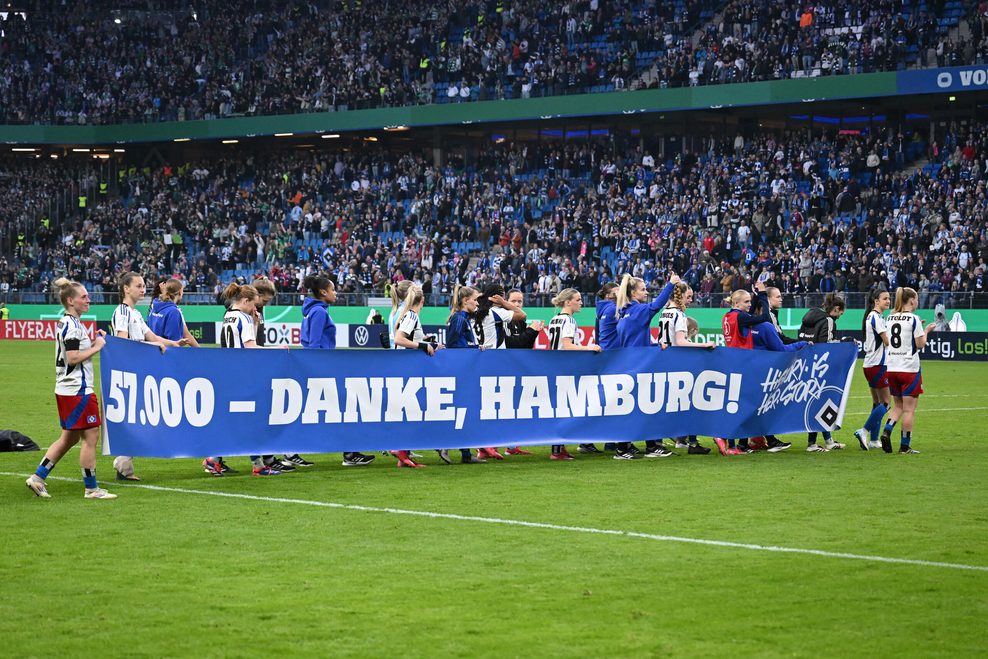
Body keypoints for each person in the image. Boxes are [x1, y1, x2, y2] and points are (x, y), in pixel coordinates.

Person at [25, 277, 116, 499]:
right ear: (70, 300)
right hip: (78, 391)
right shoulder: (72, 326)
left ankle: (38, 478)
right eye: (83, 297)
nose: (88, 300)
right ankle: (92, 489)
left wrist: (95, 341)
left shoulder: (69, 323)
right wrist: (98, 347)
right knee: (90, 437)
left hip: (67, 390)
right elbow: (74, 357)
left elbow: (75, 353)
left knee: (69, 438)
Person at [111, 271, 186, 480]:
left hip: (139, 371)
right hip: (128, 372)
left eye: (143, 286)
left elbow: (151, 336)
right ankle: (121, 463)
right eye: (138, 286)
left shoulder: (135, 313)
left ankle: (124, 466)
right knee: (136, 420)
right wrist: (154, 344)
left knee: (140, 420)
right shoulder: (123, 312)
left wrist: (172, 343)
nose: (143, 289)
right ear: (126, 289)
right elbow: (123, 343)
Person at [204, 282, 284, 476]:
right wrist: (276, 350)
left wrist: (255, 323)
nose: (255, 309)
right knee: (252, 420)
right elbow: (251, 348)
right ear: (245, 300)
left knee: (238, 419)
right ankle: (256, 465)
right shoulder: (244, 318)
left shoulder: (229, 315)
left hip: (229, 372)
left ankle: (216, 459)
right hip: (243, 374)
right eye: (253, 305)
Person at [300, 273, 374, 467]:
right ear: (323, 292)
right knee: (341, 409)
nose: (336, 293)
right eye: (333, 289)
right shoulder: (319, 313)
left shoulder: (313, 311)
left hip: (320, 368)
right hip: (322, 369)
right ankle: (349, 453)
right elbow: (315, 345)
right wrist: (319, 369)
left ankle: (348, 452)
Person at [717, 281, 792, 455]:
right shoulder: (741, 317)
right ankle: (725, 437)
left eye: (750, 302)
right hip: (743, 364)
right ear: (736, 303)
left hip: (733, 362)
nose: (749, 305)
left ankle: (741, 443)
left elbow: (748, 317)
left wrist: (758, 296)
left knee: (745, 404)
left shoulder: (728, 316)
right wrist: (764, 296)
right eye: (746, 302)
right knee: (748, 405)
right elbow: (764, 318)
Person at [616, 272, 679, 457]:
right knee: (645, 407)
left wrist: (654, 345)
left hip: (629, 364)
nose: (646, 292)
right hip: (639, 366)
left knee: (639, 408)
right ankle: (626, 448)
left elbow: (634, 341)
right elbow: (657, 306)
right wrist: (670, 284)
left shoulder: (624, 313)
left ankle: (644, 445)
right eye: (643, 290)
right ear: (633, 293)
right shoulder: (637, 311)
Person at [392, 285, 448, 467]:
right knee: (416, 410)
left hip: (405, 368)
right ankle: (401, 449)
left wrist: (431, 343)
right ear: (422, 300)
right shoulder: (412, 316)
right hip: (408, 369)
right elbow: (400, 339)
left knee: (411, 410)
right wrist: (422, 346)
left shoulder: (407, 314)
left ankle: (404, 454)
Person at [657, 282, 714, 455]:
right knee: (691, 402)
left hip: (666, 363)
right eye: (688, 296)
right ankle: (692, 443)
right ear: (679, 296)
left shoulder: (664, 313)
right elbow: (681, 342)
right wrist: (705, 345)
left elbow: (662, 341)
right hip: (680, 364)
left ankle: (664, 440)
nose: (690, 300)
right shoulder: (679, 315)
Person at [546, 288, 601, 460]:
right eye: (578, 299)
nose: (581, 302)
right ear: (567, 302)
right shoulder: (569, 321)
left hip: (555, 367)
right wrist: (589, 347)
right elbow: (568, 346)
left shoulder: (555, 319)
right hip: (565, 369)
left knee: (560, 409)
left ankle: (559, 448)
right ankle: (557, 451)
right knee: (565, 409)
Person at [880, 287, 936, 454]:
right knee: (909, 409)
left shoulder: (890, 317)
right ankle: (905, 446)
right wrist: (925, 331)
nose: (917, 302)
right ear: (911, 300)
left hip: (892, 367)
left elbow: (889, 341)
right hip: (909, 369)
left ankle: (887, 431)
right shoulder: (913, 319)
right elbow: (919, 344)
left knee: (897, 405)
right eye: (916, 299)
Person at [797, 294, 847, 452]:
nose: (840, 316)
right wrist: (844, 344)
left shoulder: (808, 319)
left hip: (807, 365)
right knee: (821, 404)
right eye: (841, 313)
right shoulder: (829, 321)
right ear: (836, 309)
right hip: (822, 368)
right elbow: (827, 346)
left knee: (820, 403)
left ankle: (828, 440)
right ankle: (812, 444)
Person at [501, 289, 543, 456]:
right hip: (505, 368)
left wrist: (534, 332)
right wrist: (531, 331)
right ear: (506, 301)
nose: (517, 304)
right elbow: (512, 344)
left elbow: (525, 345)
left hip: (516, 369)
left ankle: (511, 446)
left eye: (520, 301)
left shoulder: (520, 320)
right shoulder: (504, 319)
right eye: (514, 301)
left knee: (515, 408)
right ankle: (489, 446)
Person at [853, 289, 891, 450]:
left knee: (877, 403)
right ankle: (864, 430)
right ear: (876, 301)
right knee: (887, 403)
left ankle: (874, 440)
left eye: (889, 298)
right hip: (878, 365)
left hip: (869, 365)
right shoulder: (876, 317)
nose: (888, 301)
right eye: (885, 299)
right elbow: (888, 341)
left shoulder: (872, 316)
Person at [147, 279, 200, 347]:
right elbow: (175, 341)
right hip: (166, 354)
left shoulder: (154, 307)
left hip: (153, 352)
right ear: (180, 293)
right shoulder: (174, 311)